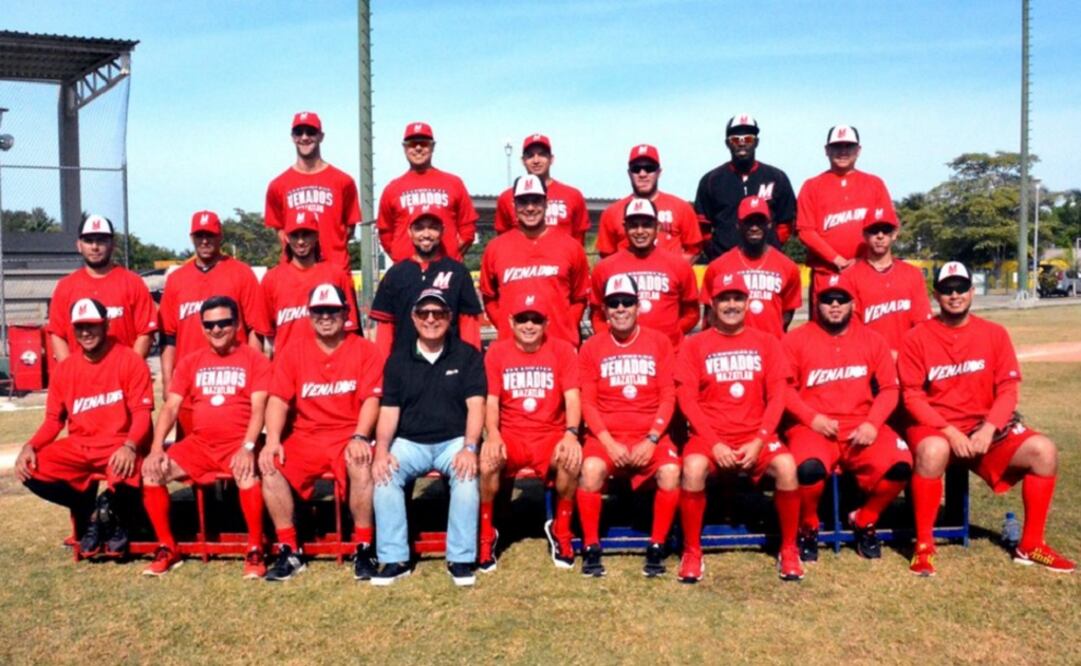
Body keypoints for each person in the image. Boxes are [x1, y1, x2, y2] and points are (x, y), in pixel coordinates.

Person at [900, 262, 1074, 576]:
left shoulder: (994, 333)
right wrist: (949, 432)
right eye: (947, 289)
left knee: (1044, 451)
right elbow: (912, 397)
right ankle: (924, 545)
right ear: (936, 295)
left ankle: (1030, 544)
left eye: (961, 288)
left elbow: (1008, 389)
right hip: (937, 427)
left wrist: (989, 428)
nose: (955, 295)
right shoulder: (917, 337)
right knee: (933, 451)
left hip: (983, 429)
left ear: (972, 292)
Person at [675, 273, 802, 583]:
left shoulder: (767, 343)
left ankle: (789, 549)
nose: (731, 305)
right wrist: (714, 442)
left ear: (747, 303)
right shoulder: (695, 344)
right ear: (712, 303)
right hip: (711, 436)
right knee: (692, 468)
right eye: (724, 299)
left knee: (787, 467)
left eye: (737, 298)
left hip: (755, 435)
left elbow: (778, 397)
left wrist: (759, 441)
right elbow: (687, 400)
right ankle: (692, 551)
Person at [782, 273, 912, 563]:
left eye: (841, 299)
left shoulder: (872, 340)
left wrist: (873, 423)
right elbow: (784, 389)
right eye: (828, 300)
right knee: (808, 469)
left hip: (859, 425)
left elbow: (890, 389)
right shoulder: (796, 339)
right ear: (817, 303)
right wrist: (811, 418)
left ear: (853, 303)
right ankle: (809, 525)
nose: (835, 305)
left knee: (901, 465)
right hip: (813, 426)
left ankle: (866, 519)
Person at [259, 285, 384, 582]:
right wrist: (272, 439)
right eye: (318, 311)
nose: (325, 317)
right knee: (270, 465)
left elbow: (372, 399)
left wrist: (360, 436)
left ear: (346, 313)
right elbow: (278, 399)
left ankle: (364, 547)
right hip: (306, 435)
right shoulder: (293, 351)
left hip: (347, 433)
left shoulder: (365, 350)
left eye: (332, 311)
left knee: (361, 463)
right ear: (309, 314)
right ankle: (289, 549)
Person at [140, 296, 271, 578]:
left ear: (237, 324)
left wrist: (248, 447)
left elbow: (259, 409)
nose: (217, 329)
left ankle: (255, 547)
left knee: (246, 474)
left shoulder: (255, 359)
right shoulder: (191, 362)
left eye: (224, 323)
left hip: (238, 442)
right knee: (152, 472)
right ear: (202, 328)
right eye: (209, 325)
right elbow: (171, 407)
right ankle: (167, 547)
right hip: (200, 444)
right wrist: (156, 448)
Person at [15, 298, 152, 558]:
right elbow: (54, 420)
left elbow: (142, 414)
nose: (86, 332)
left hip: (118, 443)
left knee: (126, 466)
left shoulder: (129, 360)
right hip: (81, 446)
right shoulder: (66, 369)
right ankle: (92, 513)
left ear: (106, 325)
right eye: (80, 327)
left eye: (92, 325)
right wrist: (30, 445)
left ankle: (115, 516)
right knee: (30, 468)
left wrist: (130, 445)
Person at [371, 289, 486, 587]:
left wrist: (470, 447)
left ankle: (460, 558)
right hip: (410, 442)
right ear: (413, 317)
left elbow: (476, 407)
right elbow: (389, 411)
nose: (431, 319)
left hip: (454, 441)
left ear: (449, 317)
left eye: (438, 313)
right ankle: (395, 559)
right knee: (384, 474)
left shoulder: (468, 355)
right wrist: (381, 450)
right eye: (424, 313)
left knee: (466, 474)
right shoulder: (397, 360)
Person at [577, 275, 681, 578]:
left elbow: (668, 396)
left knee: (671, 471)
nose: (620, 309)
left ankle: (657, 545)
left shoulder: (659, 342)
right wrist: (609, 443)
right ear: (605, 310)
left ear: (638, 306)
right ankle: (591, 546)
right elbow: (588, 403)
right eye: (614, 303)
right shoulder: (592, 347)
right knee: (591, 470)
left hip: (650, 435)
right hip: (606, 436)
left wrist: (652, 439)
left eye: (626, 302)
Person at [479, 292, 581, 572]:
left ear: (546, 323)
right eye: (523, 319)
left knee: (570, 460)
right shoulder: (497, 351)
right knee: (487, 464)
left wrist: (571, 434)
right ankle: (487, 534)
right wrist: (493, 434)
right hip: (511, 435)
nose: (529, 325)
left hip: (549, 434)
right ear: (511, 322)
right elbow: (491, 400)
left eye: (536, 319)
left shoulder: (562, 350)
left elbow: (572, 397)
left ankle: (561, 529)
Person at [158, 211, 270, 433]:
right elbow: (168, 336)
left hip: (232, 382)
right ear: (192, 238)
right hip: (190, 384)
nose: (205, 241)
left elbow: (255, 329)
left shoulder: (241, 273)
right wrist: (168, 381)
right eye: (199, 235)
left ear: (220, 237)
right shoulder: (177, 279)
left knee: (238, 448)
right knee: (190, 447)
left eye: (210, 235)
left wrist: (251, 374)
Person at [796, 125, 897, 313]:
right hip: (827, 273)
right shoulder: (812, 186)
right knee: (825, 328)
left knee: (870, 325)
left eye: (848, 146)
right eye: (837, 146)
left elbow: (887, 227)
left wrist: (861, 261)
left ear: (858, 150)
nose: (843, 151)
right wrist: (837, 260)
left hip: (868, 271)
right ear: (827, 150)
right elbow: (805, 231)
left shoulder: (874, 184)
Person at [480, 175, 591, 347]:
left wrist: (566, 325)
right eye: (523, 202)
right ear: (514, 205)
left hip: (559, 347)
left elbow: (580, 297)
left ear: (546, 203)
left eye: (536, 201)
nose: (530, 208)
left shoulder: (571, 246)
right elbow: (489, 297)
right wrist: (505, 326)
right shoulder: (495, 248)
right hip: (513, 349)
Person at [369, 206, 483, 356]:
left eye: (433, 228)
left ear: (442, 231)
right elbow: (385, 329)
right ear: (410, 232)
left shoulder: (458, 272)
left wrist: (471, 362)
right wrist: (384, 366)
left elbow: (468, 323)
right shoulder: (395, 274)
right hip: (405, 362)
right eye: (419, 228)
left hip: (448, 361)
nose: (426, 234)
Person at [589, 198, 699, 347]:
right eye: (634, 225)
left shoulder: (679, 265)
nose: (640, 231)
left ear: (657, 227)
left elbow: (692, 312)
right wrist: (612, 339)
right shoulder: (605, 267)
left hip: (668, 353)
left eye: (646, 225)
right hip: (623, 353)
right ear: (625, 227)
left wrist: (673, 333)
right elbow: (597, 314)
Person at [47, 214, 157, 361]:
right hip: (80, 374)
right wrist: (70, 371)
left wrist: (130, 369)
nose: (95, 247)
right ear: (79, 245)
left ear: (113, 244)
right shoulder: (65, 286)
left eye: (101, 240)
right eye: (88, 240)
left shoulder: (133, 282)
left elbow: (145, 333)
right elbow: (57, 335)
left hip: (123, 372)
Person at [264, 111, 362, 273]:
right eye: (299, 132)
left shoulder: (343, 181)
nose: (304, 137)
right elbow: (279, 230)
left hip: (335, 269)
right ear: (292, 137)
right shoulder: (278, 185)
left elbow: (349, 228)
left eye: (310, 132)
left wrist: (331, 249)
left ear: (321, 136)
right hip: (295, 273)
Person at [694, 114, 796, 262]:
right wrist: (717, 255)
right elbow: (702, 227)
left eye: (748, 139)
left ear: (756, 142)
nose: (742, 144)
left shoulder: (776, 177)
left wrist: (771, 247)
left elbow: (787, 222)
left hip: (768, 263)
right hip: (725, 263)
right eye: (736, 139)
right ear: (727, 143)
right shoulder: (711, 180)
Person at [700, 196, 801, 338]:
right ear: (738, 225)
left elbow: (787, 313)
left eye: (760, 221)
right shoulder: (718, 267)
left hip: (771, 346)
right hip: (732, 346)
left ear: (769, 224)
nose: (754, 227)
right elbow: (710, 314)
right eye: (748, 222)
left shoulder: (788, 267)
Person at [377, 122, 478, 262]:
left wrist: (451, 256)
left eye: (424, 143)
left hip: (445, 268)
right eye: (412, 144)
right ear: (404, 148)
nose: (418, 148)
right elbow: (385, 232)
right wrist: (401, 257)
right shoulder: (392, 189)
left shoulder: (454, 183)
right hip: (407, 268)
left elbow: (467, 228)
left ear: (433, 147)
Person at [261, 210, 359, 355]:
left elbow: (350, 330)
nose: (300, 241)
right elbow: (265, 334)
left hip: (328, 365)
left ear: (316, 236)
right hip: (287, 366)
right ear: (286, 237)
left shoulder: (336, 275)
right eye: (295, 235)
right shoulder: (271, 279)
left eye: (306, 234)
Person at [596, 144, 703, 261]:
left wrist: (673, 269)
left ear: (659, 172)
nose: (642, 174)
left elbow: (693, 250)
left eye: (649, 168)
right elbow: (606, 256)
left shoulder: (682, 208)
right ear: (629, 174)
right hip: (627, 271)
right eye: (636, 169)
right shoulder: (611, 213)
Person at [847, 216, 933, 356]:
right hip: (868, 358)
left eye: (885, 230)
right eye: (874, 230)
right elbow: (852, 330)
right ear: (865, 235)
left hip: (907, 358)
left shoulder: (912, 274)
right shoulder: (850, 276)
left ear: (894, 234)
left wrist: (908, 355)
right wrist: (884, 355)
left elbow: (922, 324)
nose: (880, 236)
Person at [493, 133, 590, 243]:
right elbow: (503, 241)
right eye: (530, 156)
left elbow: (578, 242)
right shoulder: (507, 197)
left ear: (551, 159)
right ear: (523, 161)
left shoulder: (573, 196)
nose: (536, 160)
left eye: (542, 154)